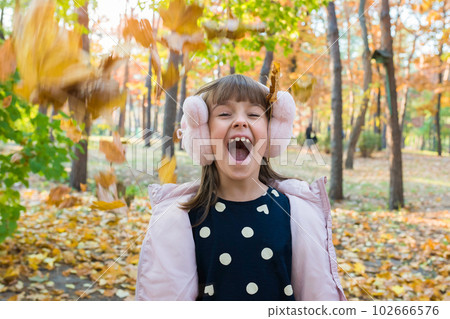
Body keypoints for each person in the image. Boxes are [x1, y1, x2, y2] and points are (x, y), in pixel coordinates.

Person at [136, 74, 346, 301]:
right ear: (203, 135)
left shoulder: (295, 215)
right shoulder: (183, 220)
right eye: (225, 114)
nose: (240, 122)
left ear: (271, 134)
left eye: (254, 114)